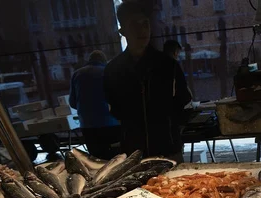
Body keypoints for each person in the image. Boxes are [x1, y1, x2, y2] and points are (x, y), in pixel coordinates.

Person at [103, 2, 191, 163]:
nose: (142, 30)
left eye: (145, 24)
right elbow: (114, 109)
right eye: (134, 25)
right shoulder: (112, 69)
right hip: (132, 154)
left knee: (176, 187)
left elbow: (183, 99)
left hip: (168, 149)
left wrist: (171, 127)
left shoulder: (168, 65)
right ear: (122, 30)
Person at [69, 50, 120, 159]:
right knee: (116, 158)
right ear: (104, 60)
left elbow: (72, 103)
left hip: (87, 126)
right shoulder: (109, 72)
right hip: (111, 123)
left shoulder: (77, 74)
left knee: (95, 159)